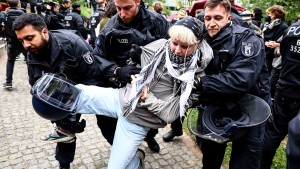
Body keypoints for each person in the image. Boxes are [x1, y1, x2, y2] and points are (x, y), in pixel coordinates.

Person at [31, 16, 213, 169]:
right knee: (77, 93)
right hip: (121, 98)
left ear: (197, 44)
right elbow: (136, 61)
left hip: (138, 121)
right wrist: (129, 67)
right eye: (174, 43)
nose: (177, 50)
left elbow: (169, 114)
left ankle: (136, 160)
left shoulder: (195, 79)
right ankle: (64, 127)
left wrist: (146, 97)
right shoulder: (161, 46)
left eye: (185, 46)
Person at [12, 13, 114, 169]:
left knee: (107, 125)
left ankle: (124, 150)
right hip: (62, 95)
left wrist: (81, 105)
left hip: (89, 87)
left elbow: (94, 76)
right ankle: (64, 165)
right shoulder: (31, 52)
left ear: (44, 32)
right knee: (65, 131)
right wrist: (61, 119)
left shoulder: (72, 43)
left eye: (29, 38)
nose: (25, 45)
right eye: (21, 41)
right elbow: (38, 87)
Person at [192, 0, 271, 168]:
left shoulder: (248, 38)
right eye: (208, 18)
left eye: (218, 18)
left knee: (245, 161)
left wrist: (200, 82)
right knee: (210, 155)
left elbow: (240, 79)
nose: (211, 23)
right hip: (217, 104)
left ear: (229, 18)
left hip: (251, 108)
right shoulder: (202, 37)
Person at [92, 0, 170, 153]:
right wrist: (117, 70)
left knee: (152, 119)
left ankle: (149, 136)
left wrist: (148, 54)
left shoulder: (157, 21)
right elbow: (97, 56)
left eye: (127, 8)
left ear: (138, 2)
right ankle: (125, 151)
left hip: (150, 82)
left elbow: (172, 50)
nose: (122, 14)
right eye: (118, 8)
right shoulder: (110, 26)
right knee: (106, 123)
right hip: (119, 82)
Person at [261, 20, 300, 169]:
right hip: (289, 90)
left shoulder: (292, 29)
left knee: (273, 133)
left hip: (284, 89)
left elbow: (282, 52)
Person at [2, 0, 26, 90]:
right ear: (18, 4)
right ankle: (34, 81)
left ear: (8, 4)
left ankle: (8, 82)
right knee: (30, 61)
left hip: (11, 41)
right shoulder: (23, 14)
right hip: (23, 41)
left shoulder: (5, 14)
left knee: (10, 61)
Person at [262, 5, 288, 75]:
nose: (268, 15)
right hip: (265, 53)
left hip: (275, 57)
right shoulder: (267, 25)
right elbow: (263, 38)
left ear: (274, 14)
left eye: (269, 13)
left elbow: (286, 42)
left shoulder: (284, 27)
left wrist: (276, 44)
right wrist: (265, 43)